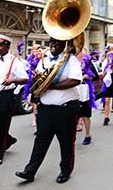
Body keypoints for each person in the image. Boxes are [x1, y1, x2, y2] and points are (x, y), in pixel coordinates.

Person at [15, 36, 82, 184]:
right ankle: (30, 171)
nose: (53, 45)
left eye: (56, 42)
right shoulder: (45, 59)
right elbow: (38, 78)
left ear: (64, 44)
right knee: (41, 141)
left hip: (65, 110)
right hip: (45, 109)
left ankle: (66, 171)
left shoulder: (71, 60)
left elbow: (75, 80)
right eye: (51, 42)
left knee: (66, 142)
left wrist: (50, 86)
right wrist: (36, 77)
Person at [0, 34, 29, 166]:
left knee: (2, 126)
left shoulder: (15, 61)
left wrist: (12, 80)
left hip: (6, 95)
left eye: (0, 45)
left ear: (7, 46)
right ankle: (8, 140)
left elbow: (25, 79)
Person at [78, 52, 99, 145]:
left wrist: (86, 76)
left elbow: (96, 77)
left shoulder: (87, 63)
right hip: (72, 91)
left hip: (84, 91)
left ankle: (87, 134)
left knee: (85, 114)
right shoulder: (71, 62)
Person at [23, 44, 43, 127]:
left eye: (39, 51)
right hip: (33, 85)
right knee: (31, 102)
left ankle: (39, 122)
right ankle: (37, 120)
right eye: (36, 50)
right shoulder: (33, 61)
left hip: (41, 86)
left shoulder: (45, 62)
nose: (37, 52)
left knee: (38, 105)